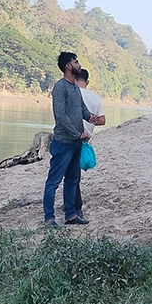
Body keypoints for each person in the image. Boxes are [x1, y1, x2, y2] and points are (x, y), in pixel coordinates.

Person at [44, 52, 92, 226]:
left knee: (72, 180)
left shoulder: (74, 88)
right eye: (76, 62)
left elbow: (82, 110)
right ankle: (49, 218)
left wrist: (91, 117)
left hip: (76, 144)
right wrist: (77, 134)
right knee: (54, 181)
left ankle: (70, 215)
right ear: (68, 66)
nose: (79, 64)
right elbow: (61, 116)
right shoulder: (60, 87)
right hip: (64, 143)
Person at [70, 69, 106, 222]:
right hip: (85, 138)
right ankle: (74, 206)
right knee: (74, 174)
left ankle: (75, 207)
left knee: (69, 175)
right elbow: (103, 120)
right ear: (87, 81)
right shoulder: (95, 98)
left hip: (71, 137)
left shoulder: (71, 93)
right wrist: (91, 121)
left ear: (73, 79)